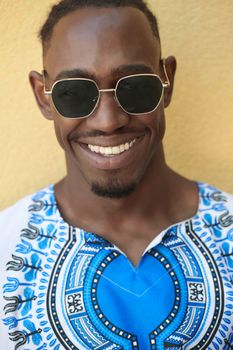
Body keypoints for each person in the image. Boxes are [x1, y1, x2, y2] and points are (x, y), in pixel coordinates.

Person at [0, 0, 233, 349]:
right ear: (43, 96)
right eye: (75, 93)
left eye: (135, 87)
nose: (109, 121)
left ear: (166, 82)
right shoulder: (6, 249)